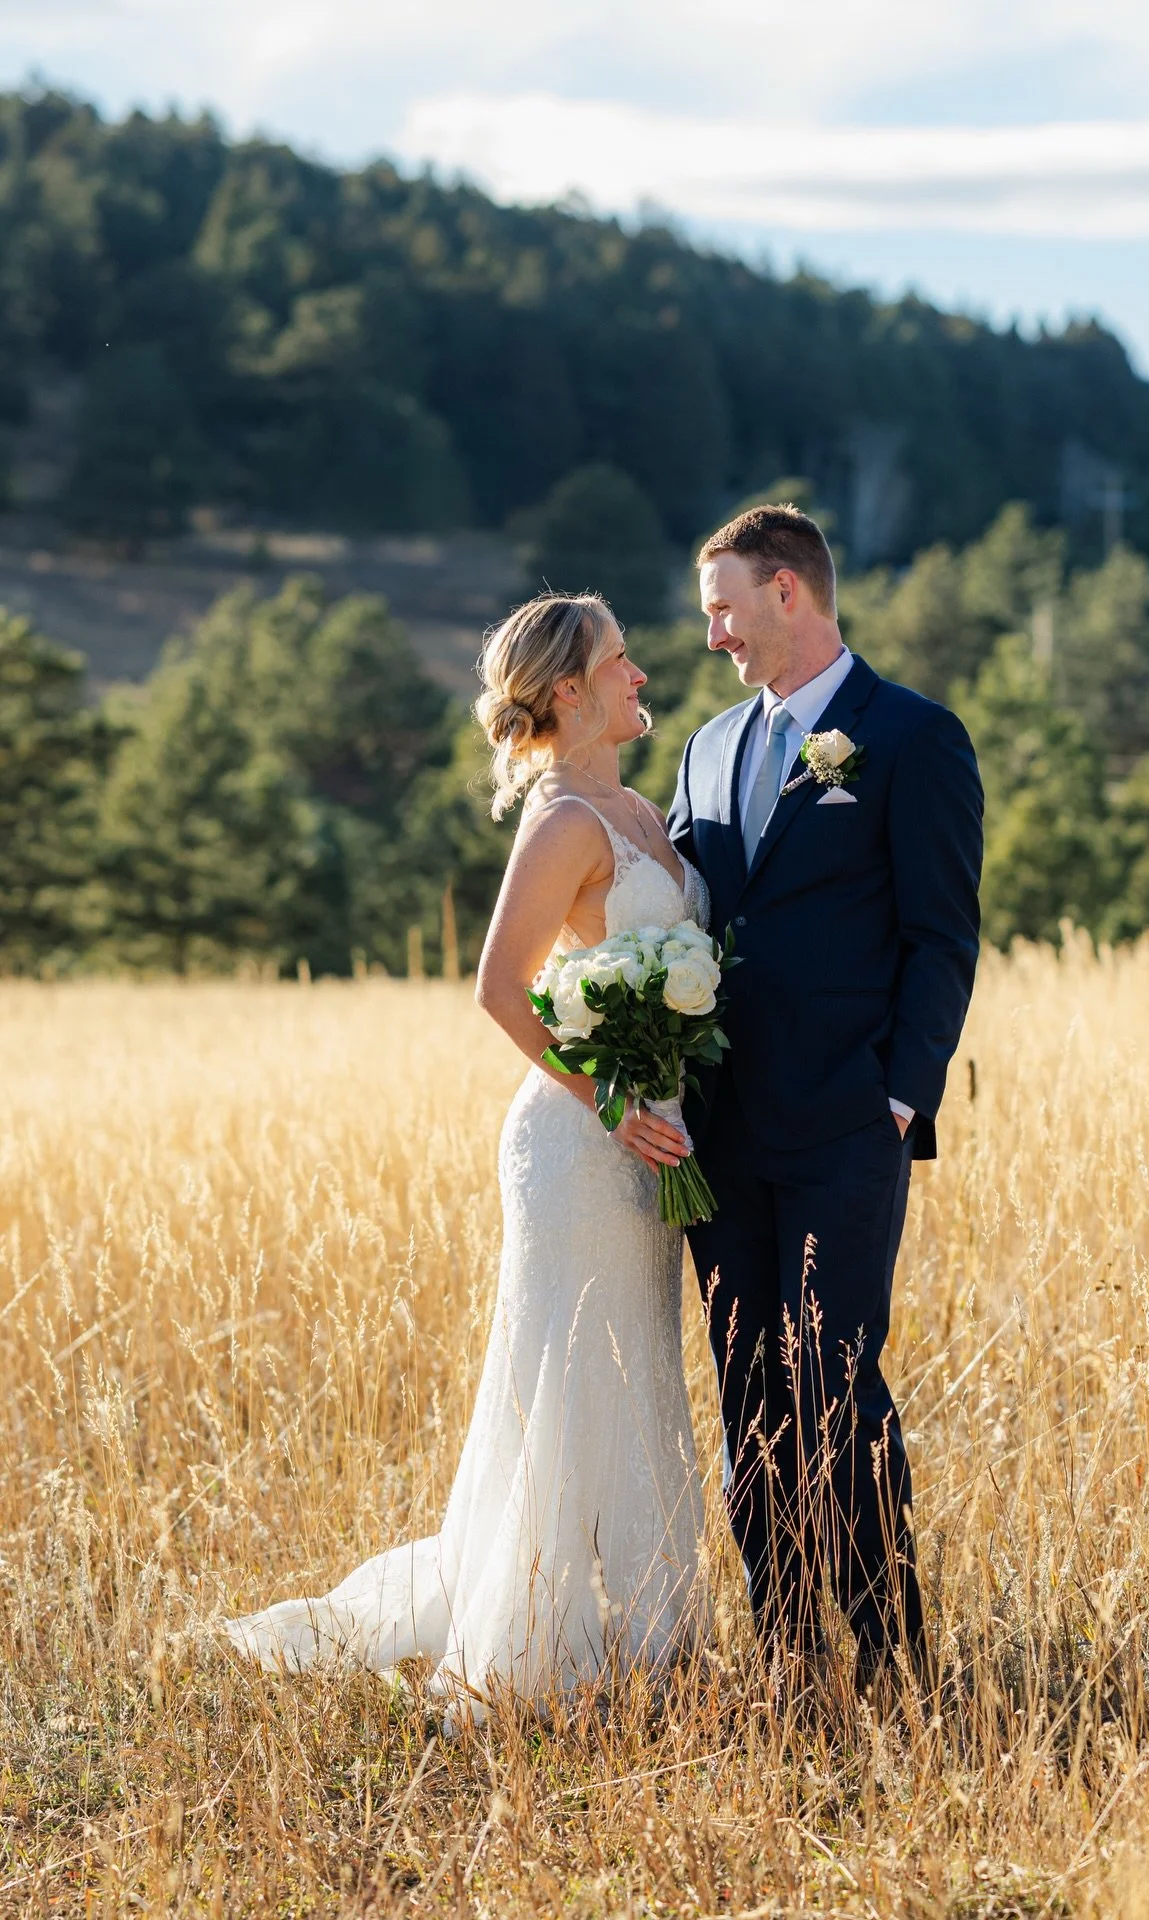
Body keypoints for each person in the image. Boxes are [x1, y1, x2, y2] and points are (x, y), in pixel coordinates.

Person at [225, 594, 706, 1722]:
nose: (640, 676)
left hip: (650, 1139)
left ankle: (642, 1628)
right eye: (619, 662)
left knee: (639, 1370)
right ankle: (542, 1638)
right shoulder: (562, 825)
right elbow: (500, 988)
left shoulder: (635, 805)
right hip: (581, 1143)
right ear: (571, 694)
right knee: (568, 1372)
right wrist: (613, 1099)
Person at [668, 505, 983, 1704]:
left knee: (834, 1378)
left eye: (725, 606)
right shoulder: (704, 747)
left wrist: (900, 1100)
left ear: (789, 591)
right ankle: (789, 1649)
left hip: (849, 1125)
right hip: (719, 1134)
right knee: (748, 1380)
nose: (714, 635)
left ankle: (891, 1649)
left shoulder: (911, 737)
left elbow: (941, 938)